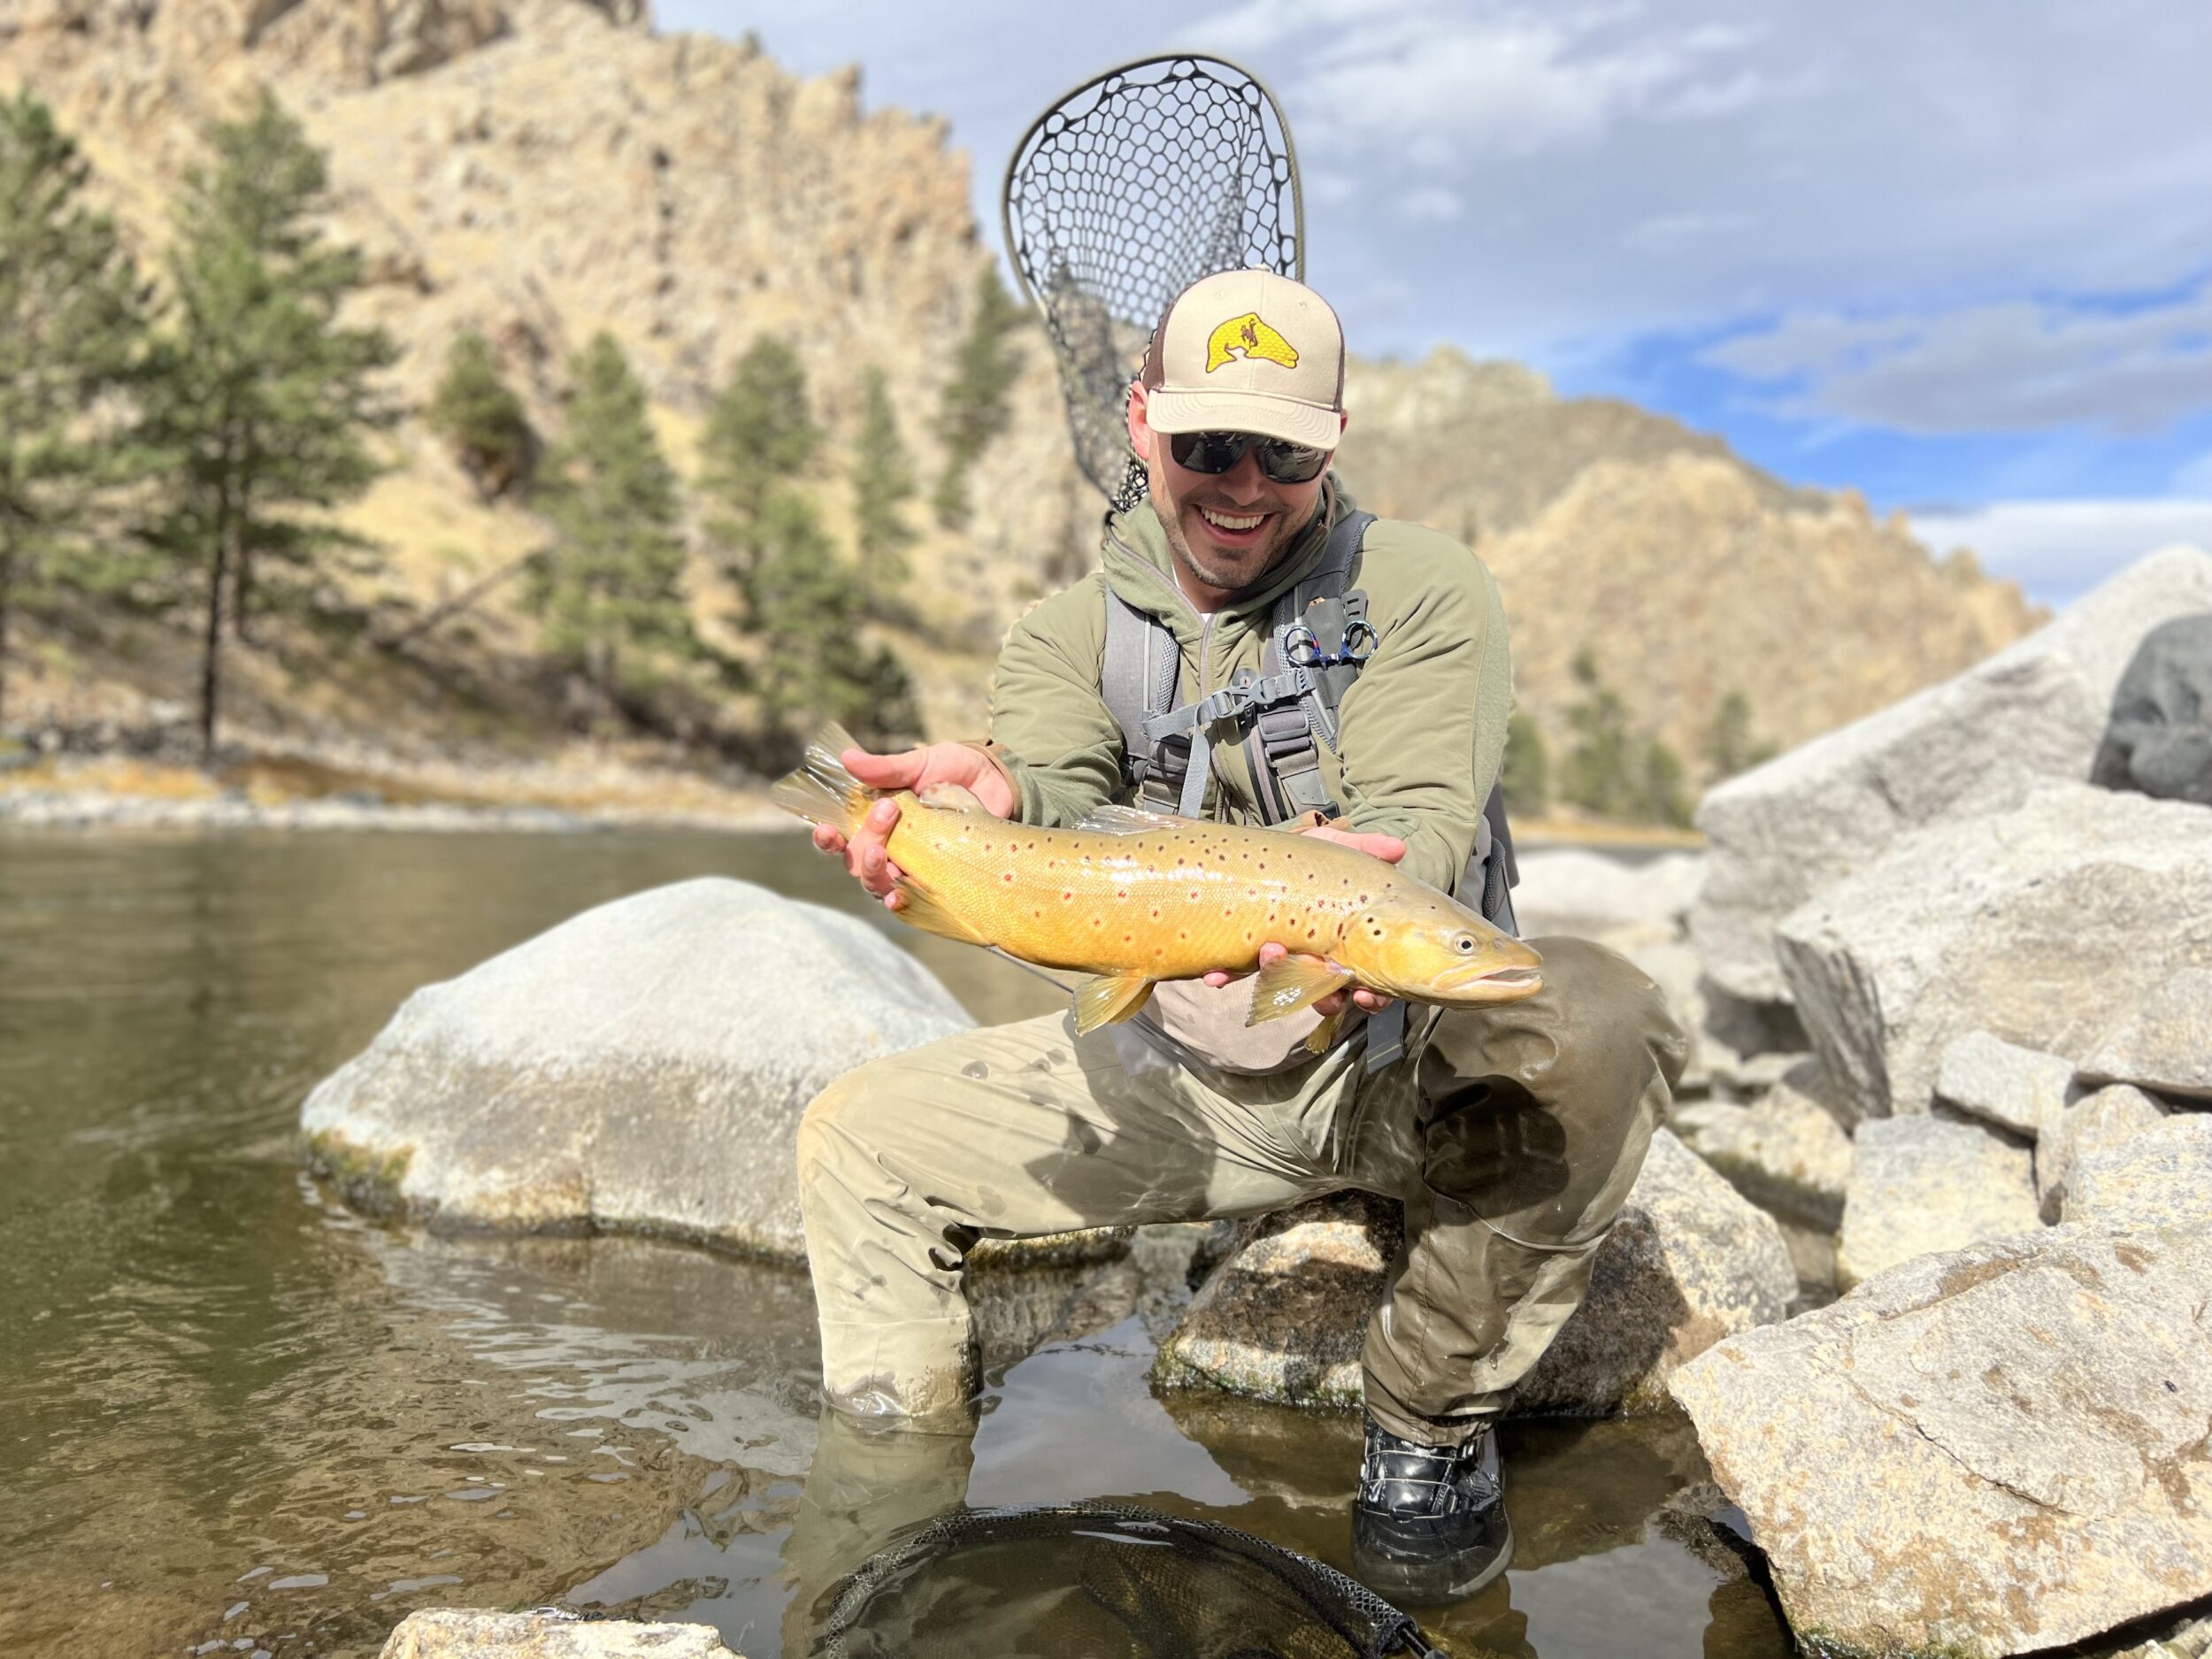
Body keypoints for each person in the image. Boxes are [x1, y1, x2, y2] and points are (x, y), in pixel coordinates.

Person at [796, 268, 1685, 1602]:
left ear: (1333, 440)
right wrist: (979, 812)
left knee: (1603, 1015)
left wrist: (1344, 887)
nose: (1242, 483)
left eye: (1281, 449)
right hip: (1181, 1079)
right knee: (857, 1139)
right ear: (1142, 421)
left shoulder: (1423, 588)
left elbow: (1423, 815)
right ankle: (889, 1500)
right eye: (1208, 443)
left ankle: (1428, 1430)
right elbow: (1053, 800)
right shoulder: (1063, 634)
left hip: (1398, 1065)